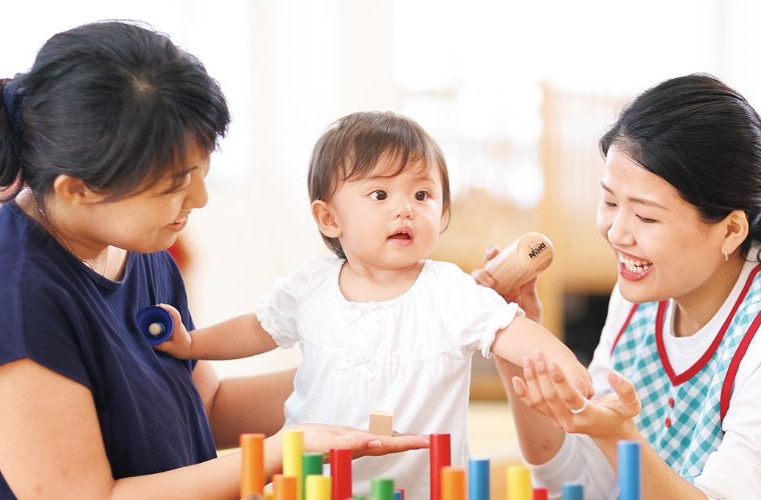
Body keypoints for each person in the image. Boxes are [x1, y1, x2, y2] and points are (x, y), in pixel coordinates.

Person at [0, 21, 426, 499]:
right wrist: (281, 454)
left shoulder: (133, 247)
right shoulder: (7, 307)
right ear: (78, 190)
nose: (201, 198)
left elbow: (203, 406)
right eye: (176, 184)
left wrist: (366, 372)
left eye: (202, 170)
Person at [474, 73, 761, 499]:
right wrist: (516, 337)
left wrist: (620, 438)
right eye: (610, 201)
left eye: (646, 216)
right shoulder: (641, 297)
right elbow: (581, 482)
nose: (617, 232)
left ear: (730, 231)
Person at [153, 111, 593, 498]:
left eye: (422, 196)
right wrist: (193, 344)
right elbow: (255, 329)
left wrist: (564, 363)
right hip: (318, 484)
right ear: (330, 218)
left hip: (424, 488)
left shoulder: (450, 291)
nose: (404, 210)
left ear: (441, 215)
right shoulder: (311, 285)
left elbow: (511, 329)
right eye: (380, 195)